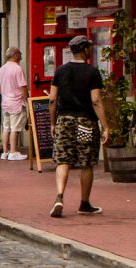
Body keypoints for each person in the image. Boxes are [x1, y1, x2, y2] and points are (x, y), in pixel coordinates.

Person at [47, 37, 110, 218]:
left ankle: (59, 196)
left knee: (63, 159)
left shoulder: (60, 71)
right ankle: (84, 203)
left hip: (64, 121)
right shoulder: (92, 72)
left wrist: (53, 123)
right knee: (86, 161)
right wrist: (105, 126)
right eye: (88, 47)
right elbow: (96, 100)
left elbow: (52, 99)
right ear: (83, 50)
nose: (90, 50)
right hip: (85, 123)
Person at [0, 49, 30, 160]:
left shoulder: (2, 68)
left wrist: (2, 92)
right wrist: (27, 100)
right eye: (20, 53)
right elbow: (23, 87)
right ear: (15, 55)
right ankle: (13, 152)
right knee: (15, 128)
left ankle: (5, 152)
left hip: (5, 102)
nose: (21, 55)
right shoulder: (17, 69)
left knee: (6, 127)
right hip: (16, 102)